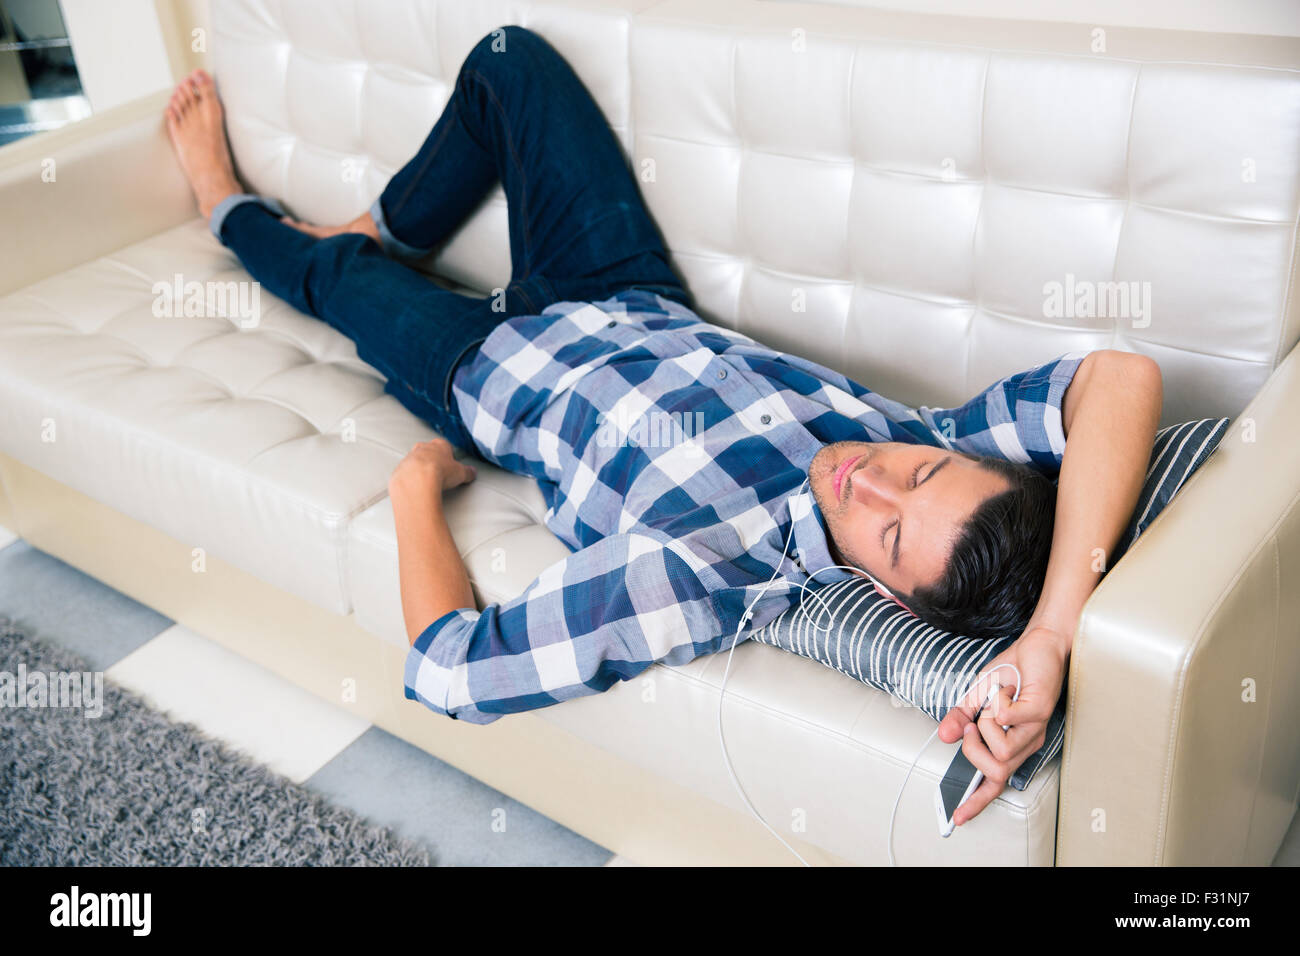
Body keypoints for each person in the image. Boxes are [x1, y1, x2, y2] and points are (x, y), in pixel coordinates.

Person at [163, 25, 1162, 826]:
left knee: (333, 281)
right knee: (510, 60)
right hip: (621, 288)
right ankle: (379, 225)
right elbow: (1117, 377)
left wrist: (412, 487)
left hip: (486, 370)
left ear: (885, 595)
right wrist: (1052, 632)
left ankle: (222, 202)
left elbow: (451, 670)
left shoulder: (706, 573)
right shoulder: (933, 427)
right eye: (918, 472)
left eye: (889, 531)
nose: (869, 477)